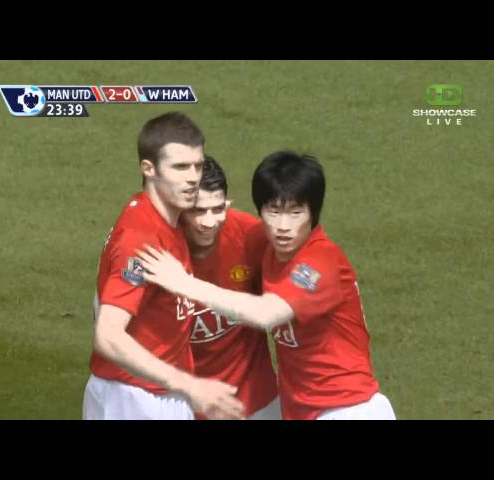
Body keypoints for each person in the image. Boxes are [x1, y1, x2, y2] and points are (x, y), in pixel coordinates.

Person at [136, 151, 396, 420]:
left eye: (295, 213)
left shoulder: (321, 262)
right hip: (303, 411)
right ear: (259, 211)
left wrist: (183, 283)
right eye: (274, 212)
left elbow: (266, 314)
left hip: (349, 408)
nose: (283, 226)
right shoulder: (268, 250)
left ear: (313, 213)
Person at [83, 112, 245, 420]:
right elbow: (108, 335)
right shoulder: (141, 238)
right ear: (149, 168)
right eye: (180, 167)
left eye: (197, 165)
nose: (192, 177)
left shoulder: (162, 217)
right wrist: (185, 383)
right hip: (134, 397)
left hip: (154, 393)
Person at [180, 155, 280, 420]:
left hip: (257, 404)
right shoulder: (156, 249)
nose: (209, 222)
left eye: (217, 209)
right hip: (185, 407)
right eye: (198, 211)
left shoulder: (251, 237)